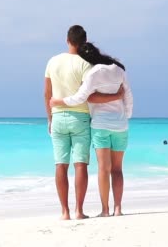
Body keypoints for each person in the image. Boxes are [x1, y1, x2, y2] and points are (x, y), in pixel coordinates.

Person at [44, 26, 124, 220]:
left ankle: (65, 212)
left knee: (60, 165)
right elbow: (89, 96)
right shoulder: (85, 64)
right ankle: (79, 211)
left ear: (67, 40)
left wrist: (50, 118)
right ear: (85, 41)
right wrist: (117, 96)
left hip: (58, 116)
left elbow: (47, 93)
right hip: (80, 117)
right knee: (81, 165)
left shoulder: (52, 61)